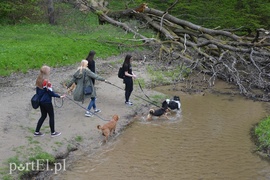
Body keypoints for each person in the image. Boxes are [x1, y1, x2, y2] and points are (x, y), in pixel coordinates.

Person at [34, 65, 65, 137]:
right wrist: (60, 96)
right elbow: (51, 93)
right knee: (51, 116)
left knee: (43, 116)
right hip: (47, 101)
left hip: (41, 101)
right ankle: (53, 132)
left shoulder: (39, 79)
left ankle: (37, 132)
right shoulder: (47, 82)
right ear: (46, 72)